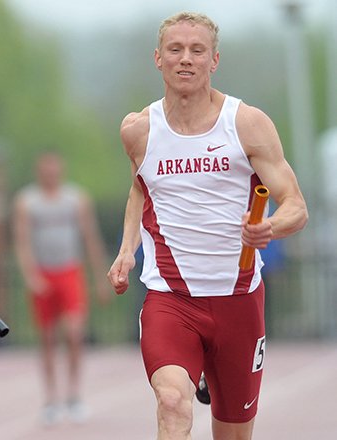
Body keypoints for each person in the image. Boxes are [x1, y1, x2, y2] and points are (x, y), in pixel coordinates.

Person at [107, 12, 308, 440]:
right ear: (157, 58)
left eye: (197, 51)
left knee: (233, 434)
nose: (186, 59)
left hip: (237, 298)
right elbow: (141, 190)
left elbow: (296, 205)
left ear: (214, 60)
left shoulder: (246, 124)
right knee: (173, 402)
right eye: (175, 50)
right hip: (171, 298)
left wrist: (269, 228)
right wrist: (127, 250)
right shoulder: (138, 131)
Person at [13, 152, 110, 426]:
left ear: (61, 170)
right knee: (47, 339)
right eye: (46, 170)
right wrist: (30, 275)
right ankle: (51, 399)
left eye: (55, 169)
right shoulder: (27, 202)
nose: (51, 174)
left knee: (75, 333)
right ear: (39, 171)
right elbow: (22, 242)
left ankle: (74, 395)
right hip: (43, 275)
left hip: (70, 272)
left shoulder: (76, 199)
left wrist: (100, 278)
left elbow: (90, 238)